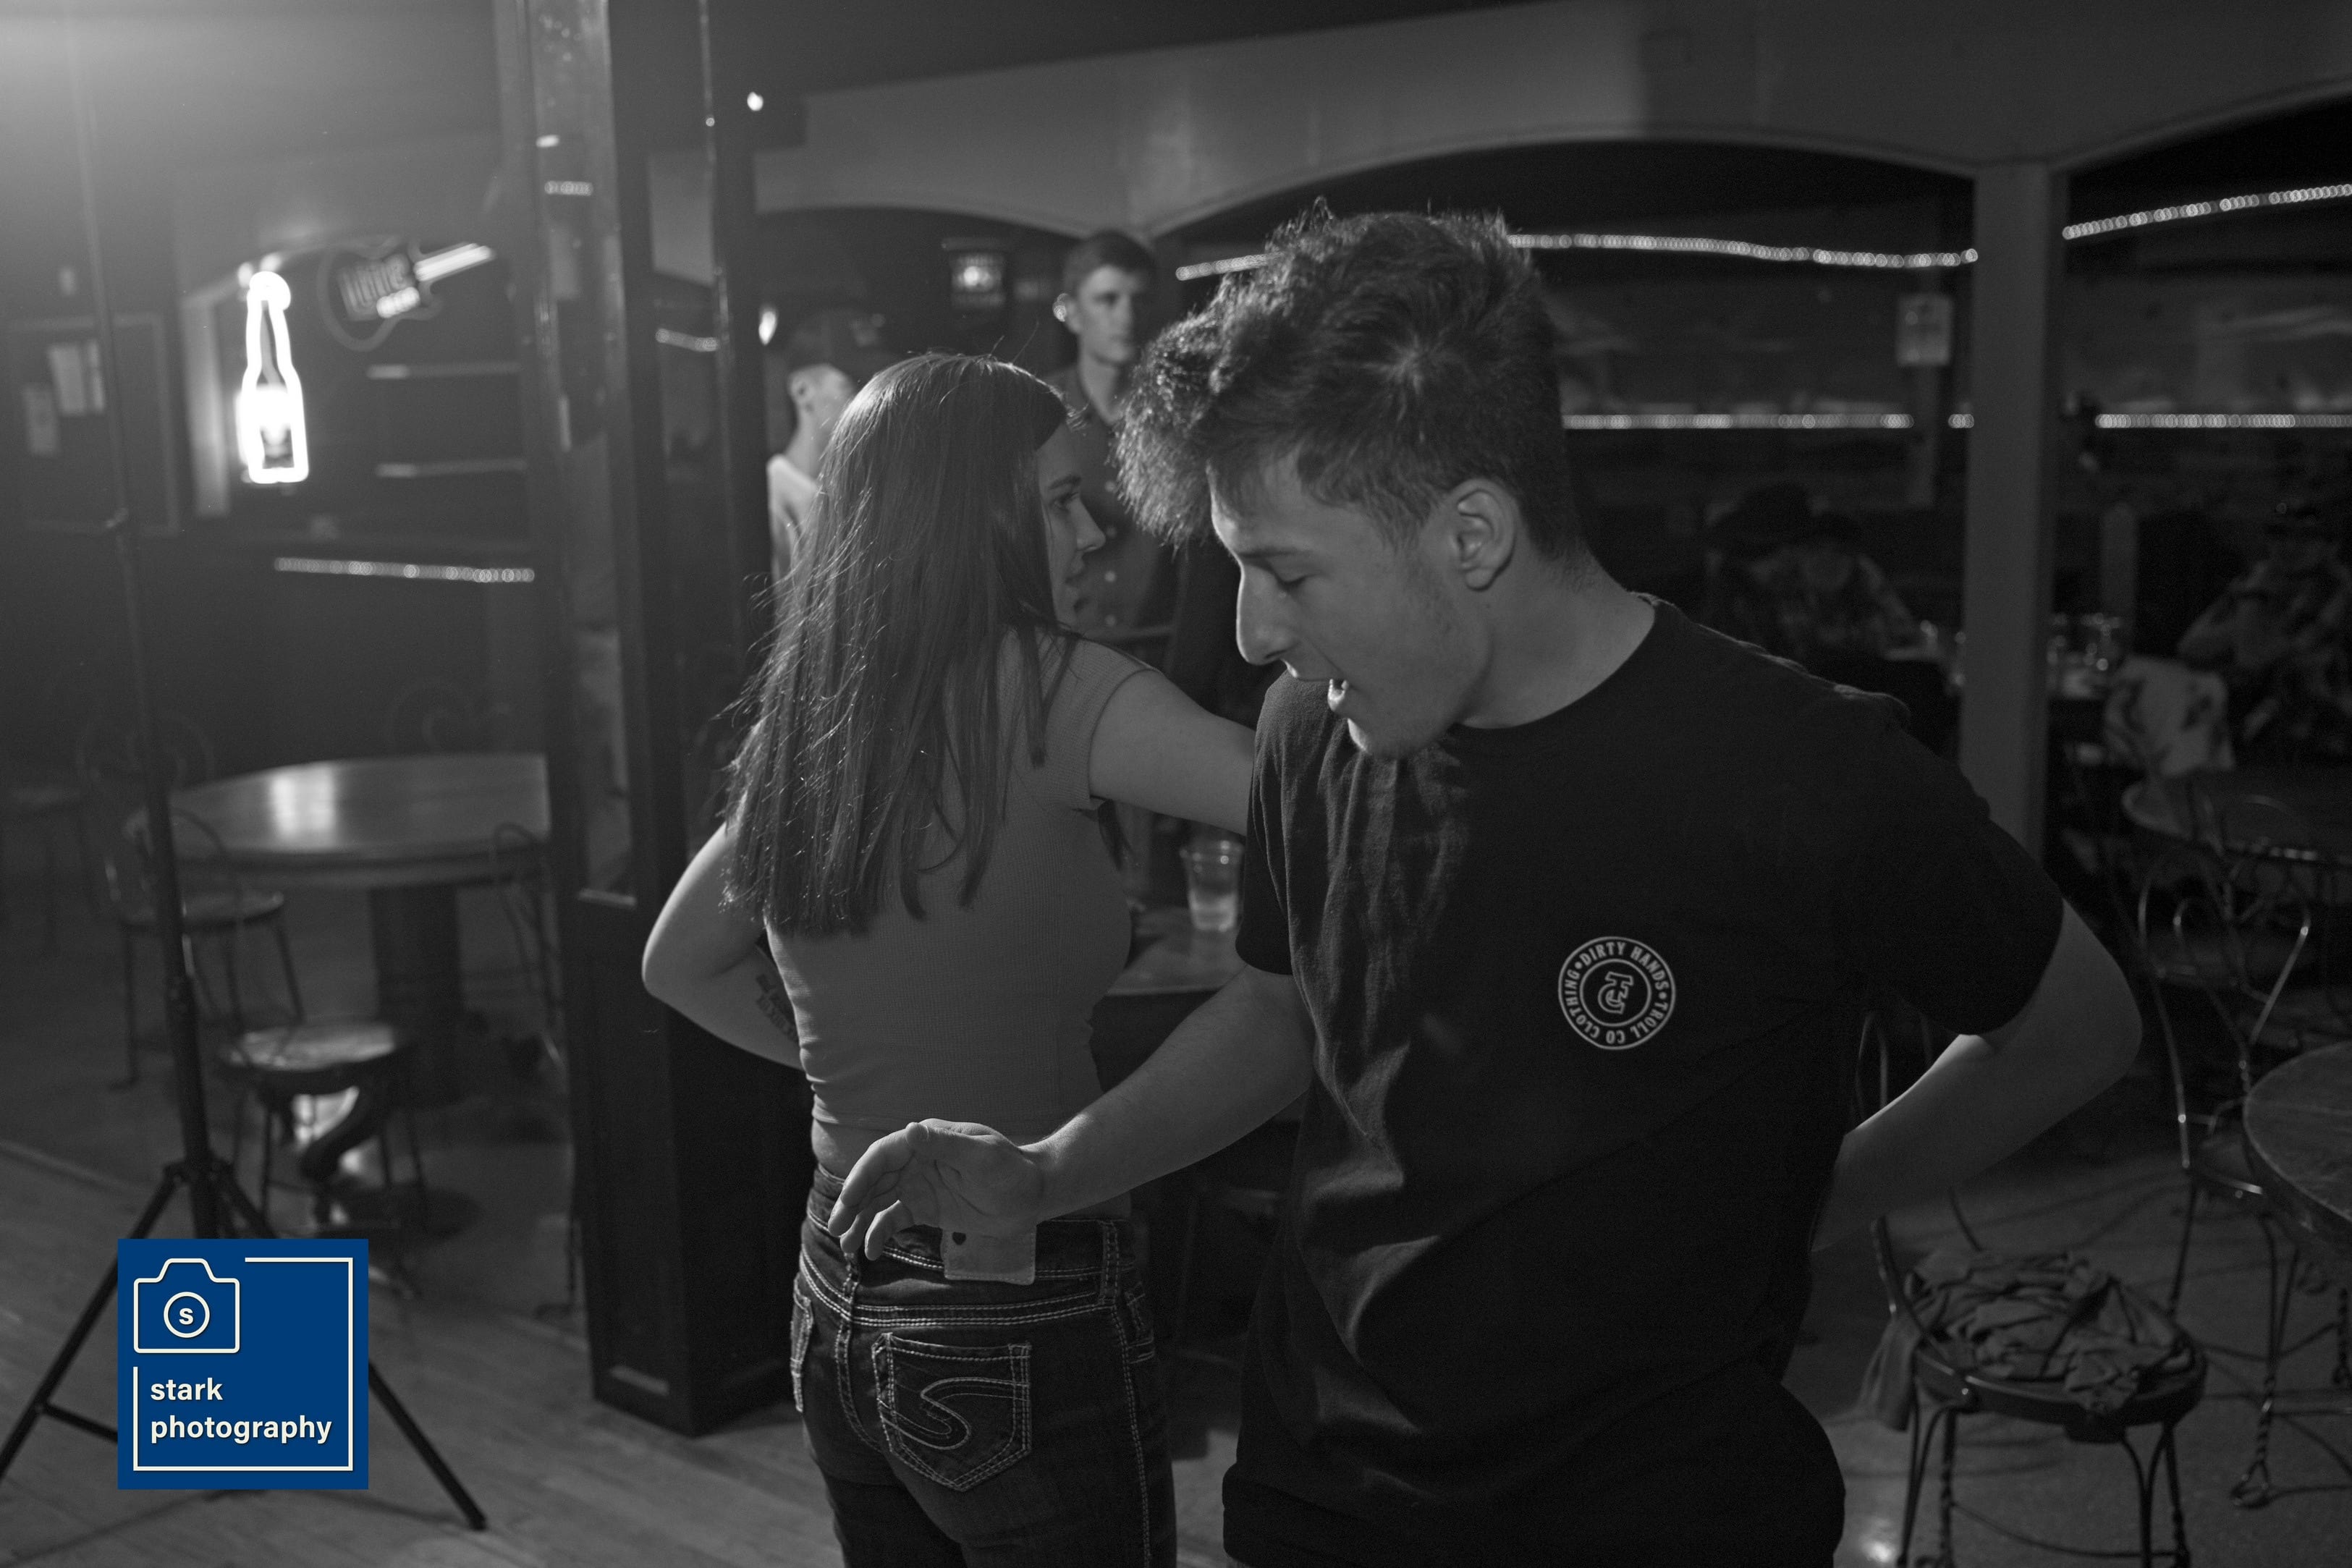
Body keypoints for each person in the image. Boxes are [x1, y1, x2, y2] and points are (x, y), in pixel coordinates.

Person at [824, 211, 2142, 1567]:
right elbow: (1284, 1010)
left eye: (1285, 571)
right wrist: (1050, 1172)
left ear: (1470, 534)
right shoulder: (1306, 733)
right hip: (1324, 1495)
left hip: (1657, 1514)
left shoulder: (1799, 767)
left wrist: (1818, 1196)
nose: (1253, 634)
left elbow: (2076, 1026)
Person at [643, 352, 1252, 1567]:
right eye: (1062, 500)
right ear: (976, 519)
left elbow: (678, 961)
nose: (1093, 534)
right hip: (1016, 1282)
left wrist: (856, 1075)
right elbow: (1309, 795)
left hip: (839, 1276)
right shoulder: (1062, 688)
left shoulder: (820, 710)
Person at [1048, 231, 1176, 644]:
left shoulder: (1179, 415)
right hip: (1070, 651)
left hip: (1164, 653)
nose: (1127, 317)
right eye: (1107, 300)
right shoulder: (1039, 413)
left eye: (1139, 299)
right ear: (1072, 312)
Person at [2176, 496, 2352, 763]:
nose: (2289, 546)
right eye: (2280, 535)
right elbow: (2191, 648)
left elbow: (2252, 657)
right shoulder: (2258, 580)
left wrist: (2253, 600)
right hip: (2251, 729)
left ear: (2330, 546)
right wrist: (2252, 619)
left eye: (2305, 538)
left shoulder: (2333, 587)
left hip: (2317, 738)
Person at [766, 307, 899, 582]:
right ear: (801, 390)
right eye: (855, 384)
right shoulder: (772, 498)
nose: (871, 399)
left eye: (876, 385)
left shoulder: (870, 486)